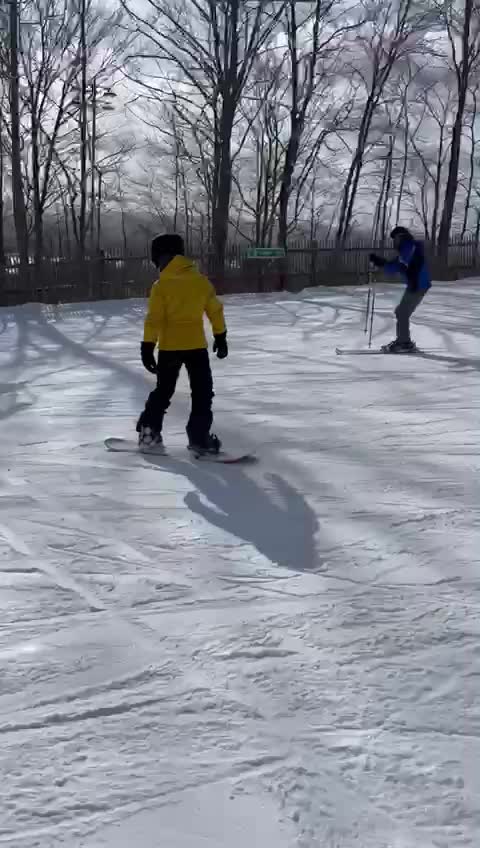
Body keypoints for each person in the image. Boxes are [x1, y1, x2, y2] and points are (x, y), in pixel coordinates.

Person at [136, 233, 228, 455]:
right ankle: (199, 437)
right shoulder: (201, 282)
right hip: (196, 346)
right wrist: (220, 335)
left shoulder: (161, 286)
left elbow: (154, 319)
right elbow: (215, 310)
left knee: (164, 391)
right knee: (202, 392)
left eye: (157, 260)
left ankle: (149, 431)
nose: (157, 265)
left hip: (169, 348)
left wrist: (147, 347)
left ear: (164, 257)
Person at [369, 226, 431, 352]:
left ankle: (404, 342)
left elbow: (397, 266)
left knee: (402, 312)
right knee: (401, 312)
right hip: (416, 285)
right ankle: (403, 340)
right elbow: (398, 265)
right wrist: (381, 262)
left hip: (418, 285)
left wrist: (380, 263)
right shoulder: (409, 248)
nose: (394, 242)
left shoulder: (409, 248)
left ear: (401, 237)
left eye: (395, 239)